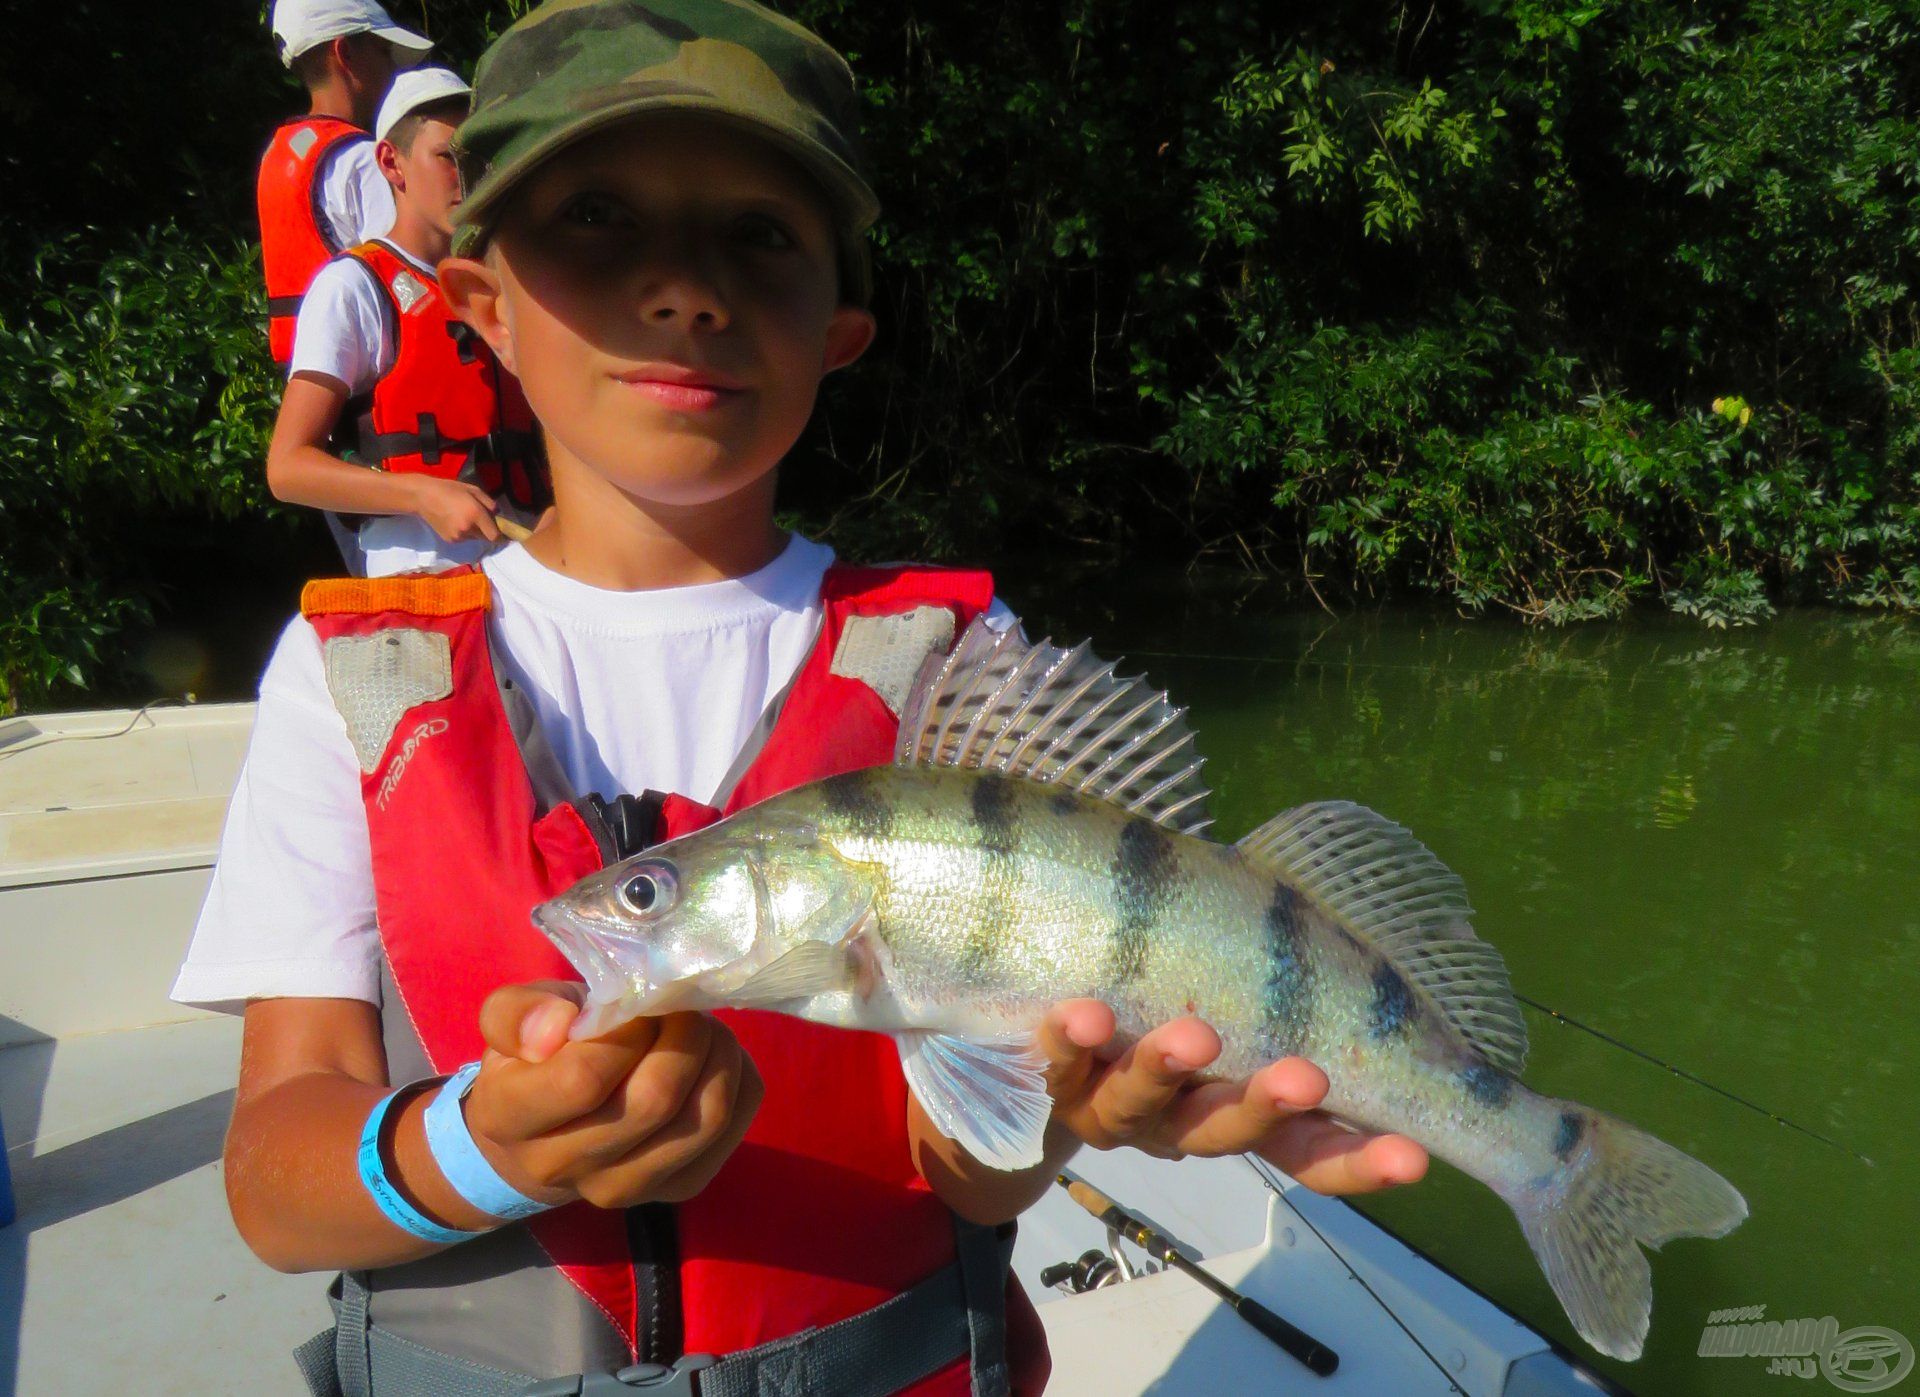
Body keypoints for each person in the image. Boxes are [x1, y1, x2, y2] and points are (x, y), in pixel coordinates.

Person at [172, 3, 1431, 1393]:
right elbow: (273, 1185)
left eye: (759, 237)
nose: (687, 291)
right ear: (486, 310)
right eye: (597, 218)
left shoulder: (954, 661)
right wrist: (477, 1147)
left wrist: (1061, 1117)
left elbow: (977, 1179)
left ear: (836, 333)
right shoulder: (359, 680)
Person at [265, 67, 546, 578]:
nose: (468, 176)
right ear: (392, 164)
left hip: (530, 575)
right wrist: (421, 494)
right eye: (447, 157)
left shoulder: (514, 283)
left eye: (477, 159)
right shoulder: (353, 287)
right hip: (417, 583)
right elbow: (287, 468)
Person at [258, 0, 432, 368]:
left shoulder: (280, 152)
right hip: (376, 387)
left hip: (314, 375)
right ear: (345, 52)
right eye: (384, 52)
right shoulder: (362, 160)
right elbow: (406, 279)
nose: (394, 70)